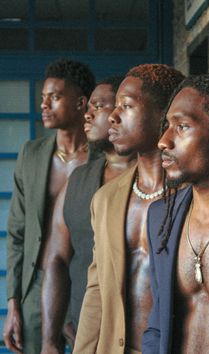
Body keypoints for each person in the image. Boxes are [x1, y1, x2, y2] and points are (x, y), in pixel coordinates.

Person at [73, 64, 185, 354]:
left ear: (164, 114)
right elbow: (97, 290)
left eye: (127, 105)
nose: (112, 115)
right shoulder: (106, 199)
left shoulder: (196, 196)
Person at [3, 58, 97, 354]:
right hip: (36, 287)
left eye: (54, 97)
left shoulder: (102, 159)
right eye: (43, 98)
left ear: (81, 103)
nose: (44, 105)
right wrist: (13, 301)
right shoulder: (31, 155)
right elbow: (17, 233)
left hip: (86, 286)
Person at [40, 76, 136, 354]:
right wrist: (50, 337)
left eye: (99, 105)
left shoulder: (156, 181)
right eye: (88, 105)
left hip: (141, 334)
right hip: (87, 329)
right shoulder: (78, 180)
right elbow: (56, 258)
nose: (88, 113)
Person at [142, 72, 209, 354]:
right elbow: (158, 325)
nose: (163, 141)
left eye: (182, 127)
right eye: (167, 126)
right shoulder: (161, 217)